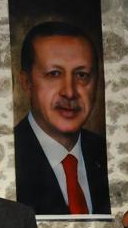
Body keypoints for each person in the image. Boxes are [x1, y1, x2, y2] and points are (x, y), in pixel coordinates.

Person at [13, 21, 110, 215]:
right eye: (54, 74)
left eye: (82, 75)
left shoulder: (106, 152)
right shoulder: (9, 153)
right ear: (26, 82)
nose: (69, 92)